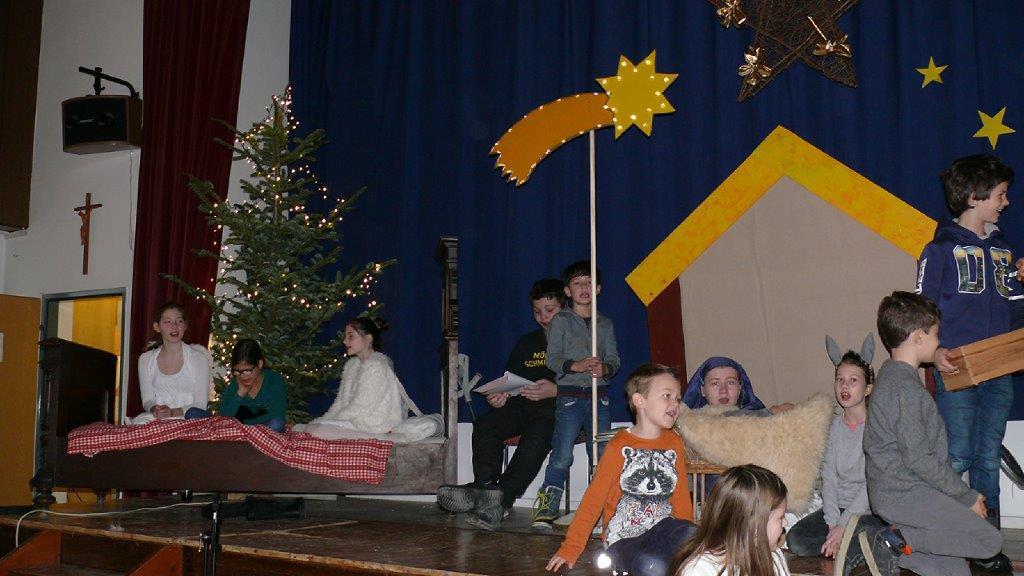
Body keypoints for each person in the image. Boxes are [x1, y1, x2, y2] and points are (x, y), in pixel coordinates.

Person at [915, 154, 1024, 572]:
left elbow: (1016, 311)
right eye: (1000, 195)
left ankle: (987, 545)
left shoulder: (1004, 251)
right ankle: (939, 541)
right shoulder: (940, 249)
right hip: (956, 366)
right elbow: (923, 309)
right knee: (957, 454)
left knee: (987, 456)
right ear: (975, 197)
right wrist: (932, 352)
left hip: (998, 367)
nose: (1006, 203)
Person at [862, 291, 1002, 576]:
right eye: (936, 334)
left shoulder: (892, 378)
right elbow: (918, 458)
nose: (939, 341)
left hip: (902, 492)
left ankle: (895, 546)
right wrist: (966, 497)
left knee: (955, 571)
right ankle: (896, 540)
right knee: (989, 541)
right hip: (904, 494)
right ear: (918, 337)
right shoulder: (904, 388)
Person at [436, 279, 563, 530]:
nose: (543, 317)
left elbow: (589, 384)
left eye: (550, 310)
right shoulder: (527, 342)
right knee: (486, 424)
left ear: (564, 307)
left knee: (537, 436)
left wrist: (555, 390)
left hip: (555, 409)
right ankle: (485, 488)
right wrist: (499, 396)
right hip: (522, 404)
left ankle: (501, 501)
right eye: (537, 312)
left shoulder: (577, 340)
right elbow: (511, 380)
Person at [545, 364, 694, 576]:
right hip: (625, 538)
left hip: (662, 530)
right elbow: (593, 500)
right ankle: (625, 563)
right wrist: (571, 547)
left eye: (677, 398)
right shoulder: (619, 446)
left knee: (693, 534)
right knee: (653, 566)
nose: (675, 404)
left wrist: (687, 541)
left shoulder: (674, 443)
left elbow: (680, 497)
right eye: (666, 396)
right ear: (640, 401)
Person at [533, 260, 621, 529]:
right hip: (570, 398)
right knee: (562, 455)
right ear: (567, 291)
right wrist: (577, 366)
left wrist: (604, 368)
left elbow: (614, 360)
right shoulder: (560, 321)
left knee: (602, 456)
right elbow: (552, 359)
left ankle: (600, 511)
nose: (584, 287)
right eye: (577, 282)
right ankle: (547, 508)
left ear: (598, 289)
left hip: (599, 397)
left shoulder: (605, 324)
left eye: (589, 282)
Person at [787, 336, 884, 576]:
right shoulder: (832, 428)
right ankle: (847, 545)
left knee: (869, 530)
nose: (844, 387)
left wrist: (844, 525)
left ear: (868, 388)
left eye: (853, 380)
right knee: (796, 540)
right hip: (837, 509)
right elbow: (828, 478)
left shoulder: (877, 428)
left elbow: (871, 484)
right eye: (840, 380)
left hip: (868, 510)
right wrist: (832, 523)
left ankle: (858, 543)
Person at [670, 464, 791, 576]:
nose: (785, 523)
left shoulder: (773, 557)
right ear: (753, 525)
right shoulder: (699, 570)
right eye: (781, 517)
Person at [310, 317, 404, 435]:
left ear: (368, 339)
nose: (345, 341)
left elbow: (362, 406)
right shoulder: (352, 366)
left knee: (318, 430)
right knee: (311, 428)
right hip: (352, 420)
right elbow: (339, 403)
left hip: (372, 424)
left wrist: (333, 422)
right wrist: (324, 420)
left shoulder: (376, 366)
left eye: (351, 336)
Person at [136, 301, 211, 422]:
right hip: (157, 420)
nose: (174, 326)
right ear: (157, 327)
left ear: (185, 326)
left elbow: (200, 404)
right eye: (168, 322)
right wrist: (155, 409)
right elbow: (147, 400)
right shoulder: (145, 359)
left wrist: (172, 412)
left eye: (179, 321)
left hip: (188, 420)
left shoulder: (198, 358)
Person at [681, 356, 793, 416]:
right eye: (715, 383)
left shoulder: (758, 420)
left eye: (730, 382)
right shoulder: (690, 428)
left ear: (740, 388)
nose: (723, 390)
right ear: (702, 390)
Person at [219, 338, 287, 432]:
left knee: (276, 424)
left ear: (259, 364)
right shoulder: (235, 384)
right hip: (239, 429)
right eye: (238, 371)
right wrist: (239, 394)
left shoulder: (274, 380)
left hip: (264, 428)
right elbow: (223, 416)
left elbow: (277, 414)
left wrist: (247, 425)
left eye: (247, 371)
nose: (243, 376)